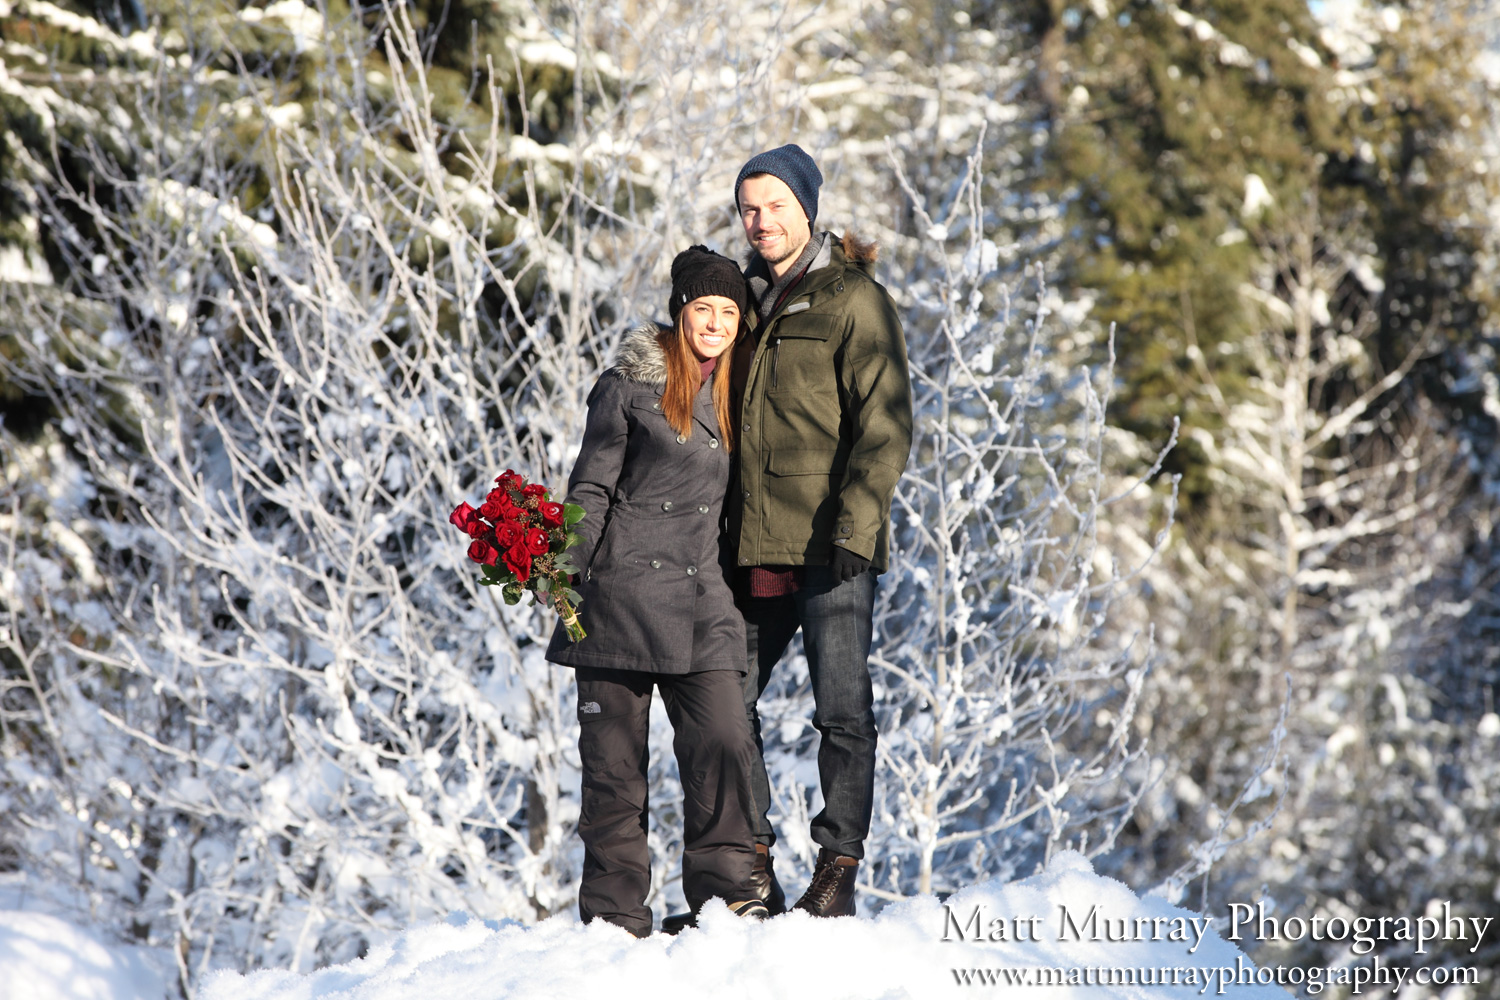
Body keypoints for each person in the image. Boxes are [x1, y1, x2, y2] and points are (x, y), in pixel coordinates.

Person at [545, 246, 767, 937]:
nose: (716, 322)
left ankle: (726, 899)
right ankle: (614, 922)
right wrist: (563, 566)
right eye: (704, 308)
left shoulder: (742, 391)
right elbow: (592, 488)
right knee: (614, 774)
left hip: (705, 602)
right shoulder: (626, 388)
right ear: (679, 313)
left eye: (728, 311)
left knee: (726, 740)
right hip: (617, 601)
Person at [727, 144, 913, 918]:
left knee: (842, 711)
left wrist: (857, 524)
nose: (761, 221)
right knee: (723, 705)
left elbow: (886, 422)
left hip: (833, 544)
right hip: (751, 544)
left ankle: (837, 869)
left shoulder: (851, 299)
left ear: (806, 207)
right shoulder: (738, 301)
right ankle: (751, 865)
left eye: (774, 205)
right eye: (748, 207)